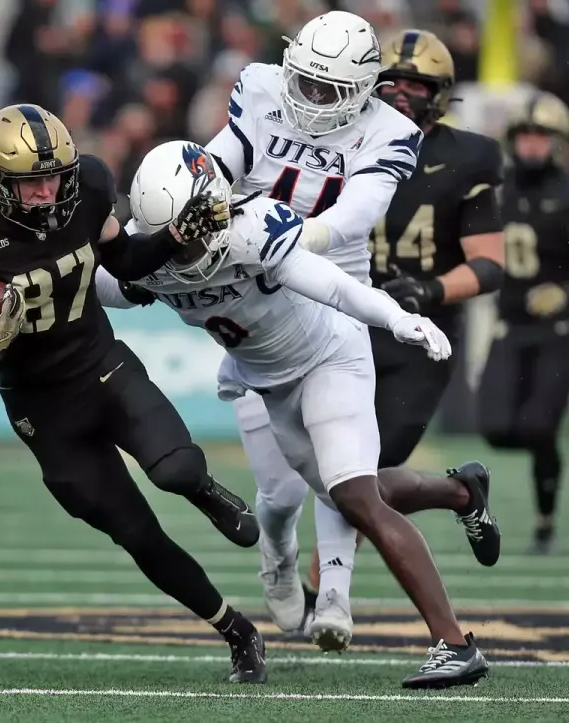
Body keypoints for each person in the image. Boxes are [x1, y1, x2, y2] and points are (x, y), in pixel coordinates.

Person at [100, 140, 492, 690]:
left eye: (190, 234)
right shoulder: (144, 265)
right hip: (268, 384)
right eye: (172, 240)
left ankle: (455, 645)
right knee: (344, 493)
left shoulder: (253, 226)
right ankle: (460, 492)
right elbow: (79, 290)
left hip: (331, 357)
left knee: (353, 495)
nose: (185, 252)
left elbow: (331, 285)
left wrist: (396, 319)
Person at [0, 104, 267, 684]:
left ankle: (204, 491)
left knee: (175, 469)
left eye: (54, 177)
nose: (47, 192)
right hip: (40, 406)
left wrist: (174, 238)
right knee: (137, 534)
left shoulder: (90, 185)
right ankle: (237, 631)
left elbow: (123, 259)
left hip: (101, 364)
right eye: (31, 183)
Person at [203, 12, 494, 662]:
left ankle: (335, 592)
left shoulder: (389, 131)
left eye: (328, 90)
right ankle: (278, 559)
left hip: (336, 302)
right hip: (259, 313)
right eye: (303, 82)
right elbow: (218, 165)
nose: (309, 100)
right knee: (278, 496)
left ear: (364, 87)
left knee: (347, 474)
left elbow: (354, 218)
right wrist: (187, 207)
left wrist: (272, 237)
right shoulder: (258, 86)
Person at [303, 27, 507, 598]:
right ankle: (461, 494)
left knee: (361, 475)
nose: (402, 94)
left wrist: (427, 293)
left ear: (441, 93)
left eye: (418, 85)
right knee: (321, 466)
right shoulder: (336, 140)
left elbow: (489, 264)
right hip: (340, 325)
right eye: (392, 81)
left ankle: (327, 589)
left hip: (421, 337)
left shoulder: (468, 158)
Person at [478, 92, 569, 554]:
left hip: (558, 331)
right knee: (495, 428)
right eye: (526, 135)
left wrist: (568, 291)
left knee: (539, 428)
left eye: (542, 136)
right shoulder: (497, 189)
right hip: (508, 326)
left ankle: (544, 519)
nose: (533, 145)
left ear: (559, 143)